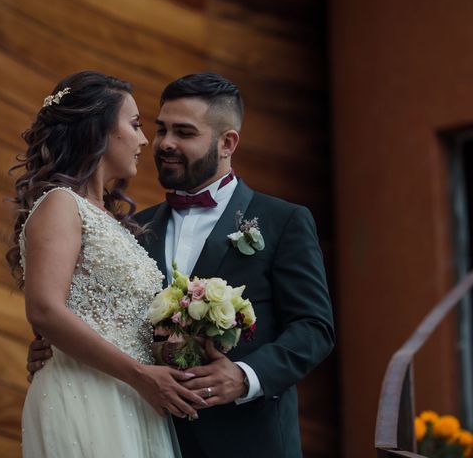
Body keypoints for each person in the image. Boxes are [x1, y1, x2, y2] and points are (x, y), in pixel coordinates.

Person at [27, 72, 336, 457]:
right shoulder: (132, 231)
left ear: (227, 143)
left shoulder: (282, 221)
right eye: (160, 129)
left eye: (185, 133)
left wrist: (245, 376)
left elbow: (314, 328)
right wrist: (56, 350)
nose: (164, 144)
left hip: (248, 440)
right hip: (143, 428)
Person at [8, 71, 206, 458]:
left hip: (130, 396)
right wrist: (141, 376)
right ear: (99, 130)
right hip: (87, 395)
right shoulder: (60, 204)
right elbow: (45, 309)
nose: (144, 140)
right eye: (135, 125)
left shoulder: (114, 222)